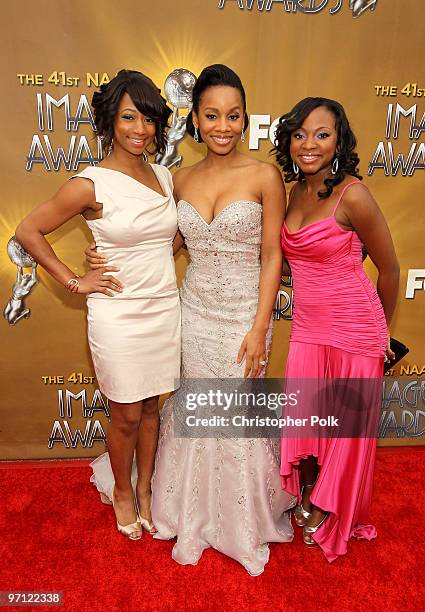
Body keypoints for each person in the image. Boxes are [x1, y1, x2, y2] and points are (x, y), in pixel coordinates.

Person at [89, 64, 295, 575]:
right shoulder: (178, 180)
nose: (223, 126)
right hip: (193, 311)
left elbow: (272, 256)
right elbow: (161, 242)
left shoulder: (265, 175)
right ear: (196, 122)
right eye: (212, 116)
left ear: (245, 120)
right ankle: (185, 506)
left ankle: (239, 517)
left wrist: (260, 326)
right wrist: (99, 261)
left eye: (233, 116)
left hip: (244, 314)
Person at [15, 70, 181, 541]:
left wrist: (147, 262)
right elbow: (28, 230)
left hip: (163, 307)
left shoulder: (165, 177)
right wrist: (75, 280)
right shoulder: (90, 184)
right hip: (118, 313)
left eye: (149, 119)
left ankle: (146, 489)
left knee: (152, 408)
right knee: (127, 412)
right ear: (110, 120)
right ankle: (123, 494)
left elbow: (166, 241)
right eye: (129, 116)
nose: (140, 129)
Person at [274, 97, 399, 561]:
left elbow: (390, 270)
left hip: (356, 329)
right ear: (288, 140)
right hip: (308, 327)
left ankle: (332, 510)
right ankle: (310, 497)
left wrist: (381, 335)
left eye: (322, 134)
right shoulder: (293, 192)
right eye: (300, 134)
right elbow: (299, 261)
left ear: (339, 141)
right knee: (306, 421)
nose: (309, 144)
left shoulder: (354, 194)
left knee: (344, 430)